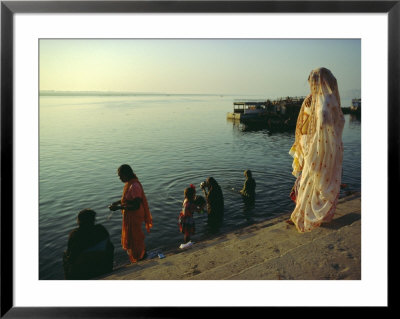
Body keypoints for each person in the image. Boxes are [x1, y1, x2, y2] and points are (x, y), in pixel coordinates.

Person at [287, 67, 345, 232]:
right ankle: (301, 213)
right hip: (310, 144)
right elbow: (306, 121)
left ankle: (309, 215)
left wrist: (318, 116)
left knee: (315, 181)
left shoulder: (327, 99)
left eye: (313, 82)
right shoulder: (312, 98)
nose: (311, 85)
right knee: (307, 180)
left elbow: (333, 122)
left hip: (321, 146)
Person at [109, 164, 153, 263]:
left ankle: (141, 257)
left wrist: (119, 207)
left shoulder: (134, 186)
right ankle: (139, 256)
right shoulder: (130, 184)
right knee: (133, 237)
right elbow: (128, 200)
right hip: (131, 215)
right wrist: (118, 203)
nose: (120, 178)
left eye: (121, 176)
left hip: (135, 215)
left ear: (126, 174)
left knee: (136, 238)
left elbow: (136, 205)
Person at [63, 209, 114, 280]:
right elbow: (110, 247)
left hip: (84, 270)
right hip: (102, 264)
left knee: (65, 255)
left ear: (79, 220)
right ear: (94, 219)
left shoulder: (75, 234)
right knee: (109, 245)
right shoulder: (101, 229)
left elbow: (72, 257)